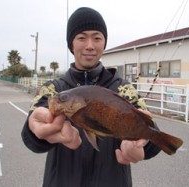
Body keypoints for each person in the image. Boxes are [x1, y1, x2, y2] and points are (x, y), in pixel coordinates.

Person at [21, 7, 161, 187]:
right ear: (71, 44)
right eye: (81, 37)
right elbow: (32, 133)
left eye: (97, 37)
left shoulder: (124, 89)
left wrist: (143, 144)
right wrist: (35, 129)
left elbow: (150, 130)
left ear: (104, 43)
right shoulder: (54, 89)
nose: (90, 45)